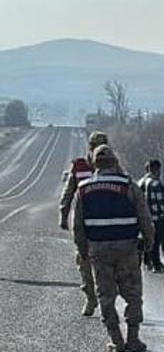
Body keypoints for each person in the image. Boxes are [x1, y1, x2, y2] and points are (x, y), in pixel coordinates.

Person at [71, 145, 155, 352]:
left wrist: (83, 250)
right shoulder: (128, 185)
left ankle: (116, 339)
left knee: (105, 295)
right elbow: (144, 217)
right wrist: (149, 240)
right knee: (133, 293)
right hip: (127, 248)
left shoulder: (83, 188)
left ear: (94, 163)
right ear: (114, 162)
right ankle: (133, 339)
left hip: (98, 250)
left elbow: (77, 226)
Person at [59, 131, 110, 316]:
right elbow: (69, 192)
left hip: (106, 222)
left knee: (108, 263)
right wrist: (63, 214)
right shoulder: (80, 166)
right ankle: (91, 298)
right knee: (84, 261)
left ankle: (107, 300)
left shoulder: (114, 166)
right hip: (84, 222)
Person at [138, 159, 164, 272]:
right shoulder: (156, 183)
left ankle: (151, 262)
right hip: (159, 217)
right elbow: (161, 202)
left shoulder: (141, 182)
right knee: (163, 242)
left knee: (151, 241)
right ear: (156, 169)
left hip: (147, 217)